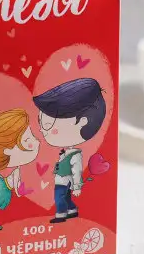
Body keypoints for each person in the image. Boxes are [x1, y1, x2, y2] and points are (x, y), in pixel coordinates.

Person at [33, 78, 106, 224]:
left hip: (65, 181)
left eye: (48, 124)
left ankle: (61, 214)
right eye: (41, 123)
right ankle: (72, 210)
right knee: (65, 197)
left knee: (59, 197)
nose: (42, 130)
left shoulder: (75, 155)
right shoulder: (66, 152)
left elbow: (76, 171)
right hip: (62, 179)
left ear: (82, 122)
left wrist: (77, 187)